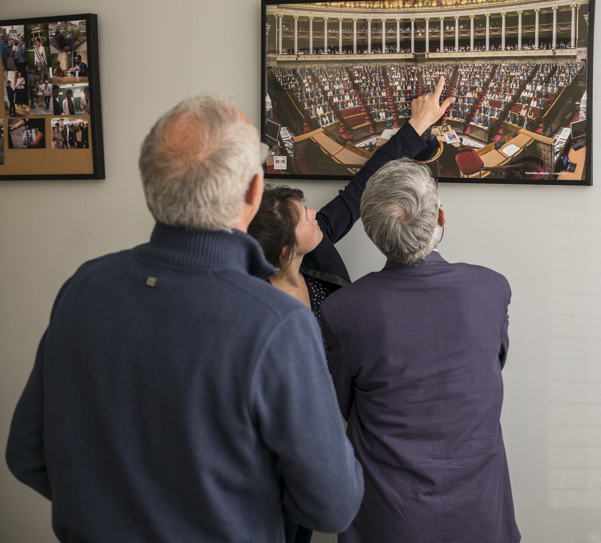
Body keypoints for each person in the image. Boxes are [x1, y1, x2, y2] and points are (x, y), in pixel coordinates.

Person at [6, 93, 364, 542]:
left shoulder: (84, 287)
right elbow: (333, 505)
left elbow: (26, 454)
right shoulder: (276, 323)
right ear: (254, 192)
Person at [247, 76, 452, 543]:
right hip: (267, 454)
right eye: (305, 218)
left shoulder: (314, 251)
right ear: (283, 253)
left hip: (322, 442)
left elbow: (358, 192)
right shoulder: (251, 309)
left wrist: (415, 127)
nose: (316, 215)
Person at [322, 159, 520, 543]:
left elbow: (339, 405)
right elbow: (493, 368)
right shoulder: (491, 289)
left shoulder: (344, 309)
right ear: (440, 218)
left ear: (372, 231)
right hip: (479, 515)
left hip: (389, 518)